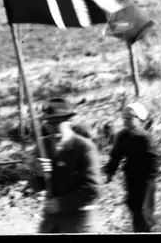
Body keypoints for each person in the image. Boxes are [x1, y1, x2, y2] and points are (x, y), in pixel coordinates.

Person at [31, 97, 102, 233]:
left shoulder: (84, 147)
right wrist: (37, 174)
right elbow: (36, 187)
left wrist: (62, 204)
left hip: (79, 218)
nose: (54, 127)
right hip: (52, 219)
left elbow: (93, 189)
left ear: (69, 121)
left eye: (59, 122)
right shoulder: (42, 146)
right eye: (50, 122)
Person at [104, 102, 160, 233]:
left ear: (139, 119)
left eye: (130, 118)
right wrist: (109, 172)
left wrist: (151, 177)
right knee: (133, 206)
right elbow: (115, 156)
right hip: (131, 177)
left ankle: (147, 228)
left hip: (146, 179)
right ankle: (139, 229)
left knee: (144, 209)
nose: (127, 121)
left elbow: (153, 159)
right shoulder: (122, 136)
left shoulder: (145, 137)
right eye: (124, 119)